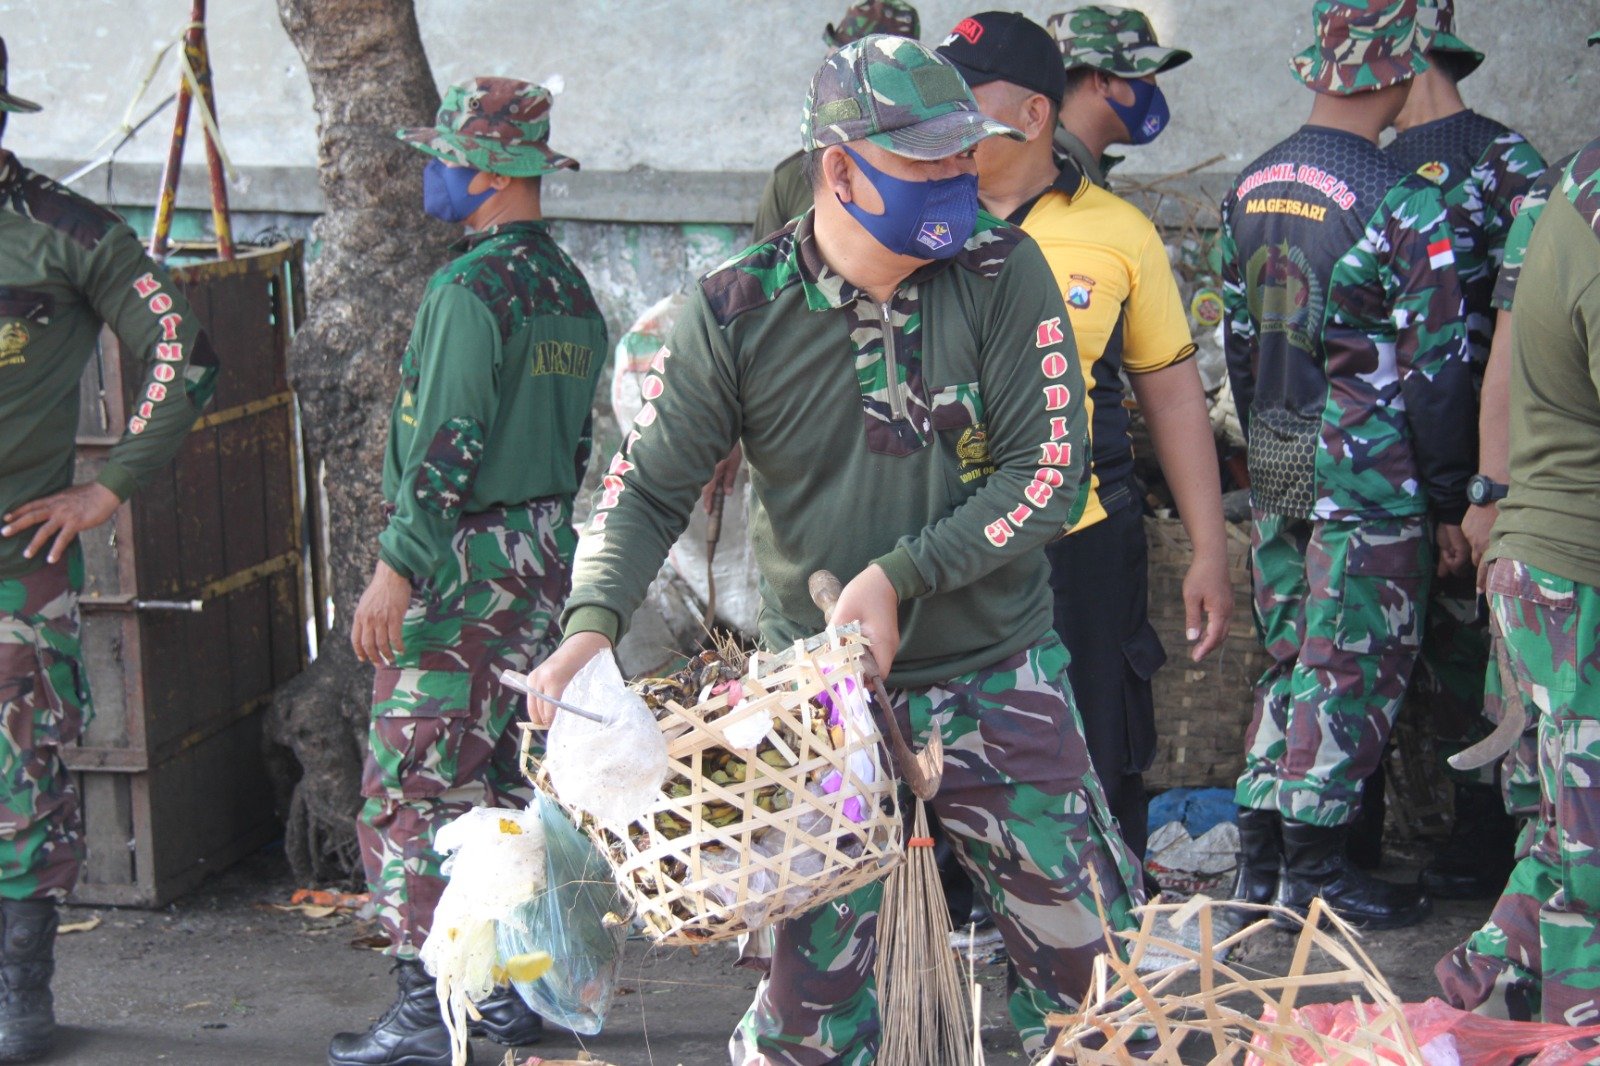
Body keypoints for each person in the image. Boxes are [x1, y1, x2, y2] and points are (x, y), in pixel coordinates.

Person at [526, 37, 1141, 1063]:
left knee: (1093, 982)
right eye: (927, 162)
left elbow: (1046, 479)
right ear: (840, 168)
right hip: (816, 710)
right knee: (813, 1016)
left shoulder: (1001, 270)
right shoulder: (736, 308)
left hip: (1002, 676)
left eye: (963, 156)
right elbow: (643, 493)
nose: (958, 179)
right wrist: (589, 630)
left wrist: (900, 576)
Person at [330, 78, 607, 1066]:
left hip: (459, 569)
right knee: (492, 787)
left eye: (442, 157)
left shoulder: (468, 290)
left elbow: (446, 442)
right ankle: (503, 1002)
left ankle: (421, 1005)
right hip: (540, 561)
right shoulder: (569, 291)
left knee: (408, 786)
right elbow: (574, 446)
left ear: (487, 172)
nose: (430, 174)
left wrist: (398, 567)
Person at [938, 10, 1231, 869]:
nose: (946, 116)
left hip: (1082, 540)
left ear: (1033, 115)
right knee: (945, 748)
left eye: (966, 98)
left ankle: (1101, 931)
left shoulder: (1118, 232)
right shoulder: (915, 224)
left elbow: (1174, 401)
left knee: (1099, 744)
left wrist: (1209, 549)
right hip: (942, 545)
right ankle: (965, 913)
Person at [1219, 0, 1475, 931]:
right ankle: (1317, 872)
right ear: (1399, 72)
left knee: (1288, 654)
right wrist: (1451, 498)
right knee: (1350, 661)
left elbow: (1240, 340)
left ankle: (1259, 860)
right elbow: (1441, 373)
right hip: (1372, 472)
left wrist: (1269, 443)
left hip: (1281, 447)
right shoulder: (1402, 201)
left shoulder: (1249, 184)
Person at [0, 38, 220, 1063]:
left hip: (13, 570)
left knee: (17, 781)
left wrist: (107, 486)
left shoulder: (66, 234)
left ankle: (19, 996)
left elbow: (184, 352)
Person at [1367, 0, 1547, 898]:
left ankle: (1492, 843)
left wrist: (1480, 487)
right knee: (1414, 661)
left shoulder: (1504, 159)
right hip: (1386, 467)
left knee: (1493, 656)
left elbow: (1530, 328)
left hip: (1490, 469)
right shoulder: (1369, 164)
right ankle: (1432, 834)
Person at [1433, 134, 1600, 1029]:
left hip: (1549, 565)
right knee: (1590, 855)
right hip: (1578, 580)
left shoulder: (1567, 183)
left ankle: (1462, 1021)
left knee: (1566, 843)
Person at [749, 0, 921, 242]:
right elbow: (759, 273)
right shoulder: (792, 178)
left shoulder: (936, 172)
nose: (837, 80)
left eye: (855, 70)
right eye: (833, 62)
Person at [1046, 4, 1191, 189]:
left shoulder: (1070, 169)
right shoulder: (1045, 175)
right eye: (1146, 73)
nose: (1153, 85)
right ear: (1104, 80)